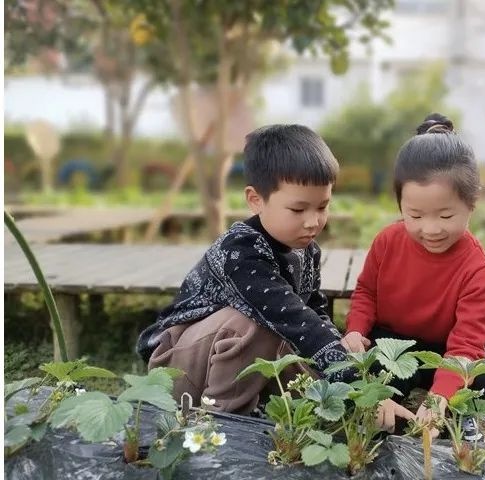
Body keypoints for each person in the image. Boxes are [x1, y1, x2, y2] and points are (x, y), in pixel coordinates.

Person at [136, 124, 414, 430]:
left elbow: (315, 314)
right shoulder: (240, 251)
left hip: (237, 359)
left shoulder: (306, 250)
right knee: (258, 323)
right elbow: (294, 319)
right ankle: (220, 424)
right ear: (255, 200)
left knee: (317, 361)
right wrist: (361, 384)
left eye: (323, 206)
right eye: (297, 209)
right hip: (181, 369)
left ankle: (339, 416)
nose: (313, 221)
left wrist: (359, 386)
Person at [343, 113, 485, 436]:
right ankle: (393, 413)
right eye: (415, 215)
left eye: (446, 215)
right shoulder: (387, 241)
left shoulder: (478, 269)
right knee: (374, 374)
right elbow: (366, 293)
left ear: (471, 204)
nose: (430, 229)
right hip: (393, 343)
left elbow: (466, 344)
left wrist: (439, 399)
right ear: (400, 204)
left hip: (445, 350)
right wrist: (355, 330)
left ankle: (450, 417)